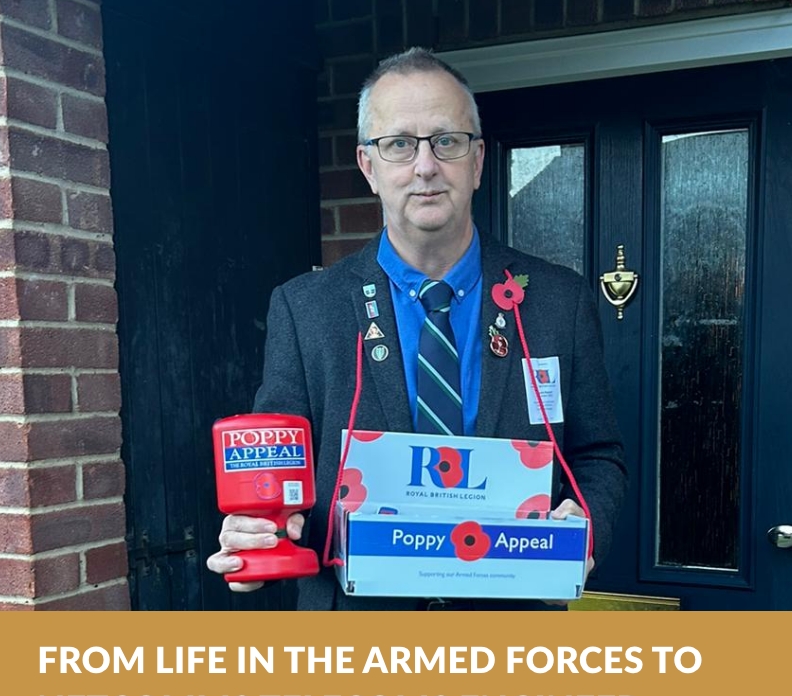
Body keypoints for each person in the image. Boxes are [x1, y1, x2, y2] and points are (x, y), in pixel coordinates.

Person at [206, 48, 626, 610]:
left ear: (477, 161)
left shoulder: (557, 302)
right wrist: (256, 535)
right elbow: (280, 475)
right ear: (368, 166)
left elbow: (597, 454)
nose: (425, 166)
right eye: (399, 144)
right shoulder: (305, 309)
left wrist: (586, 523)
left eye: (446, 141)